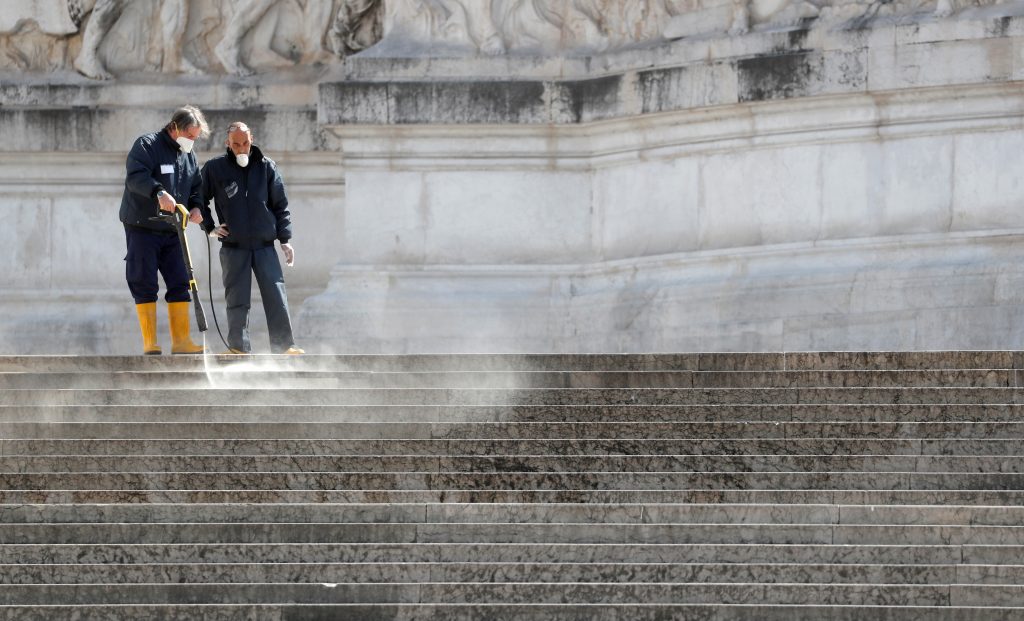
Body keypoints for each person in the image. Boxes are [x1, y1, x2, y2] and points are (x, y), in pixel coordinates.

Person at [199, 122, 304, 355]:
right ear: (228, 143)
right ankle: (238, 347)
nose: (241, 148)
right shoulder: (215, 169)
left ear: (252, 139)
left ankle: (285, 346)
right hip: (233, 247)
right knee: (236, 299)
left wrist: (285, 239)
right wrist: (210, 227)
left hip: (264, 246)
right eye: (236, 144)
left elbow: (280, 206)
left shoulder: (267, 168)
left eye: (245, 143)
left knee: (276, 296)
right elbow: (198, 199)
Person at [120, 105, 208, 355]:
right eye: (190, 135)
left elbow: (196, 187)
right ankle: (150, 342)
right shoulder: (146, 146)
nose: (192, 141)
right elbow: (136, 177)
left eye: (196, 137)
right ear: (175, 127)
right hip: (143, 226)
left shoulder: (188, 155)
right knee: (144, 280)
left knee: (181, 281)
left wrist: (197, 207)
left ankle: (181, 341)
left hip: (173, 230)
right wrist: (158, 191)